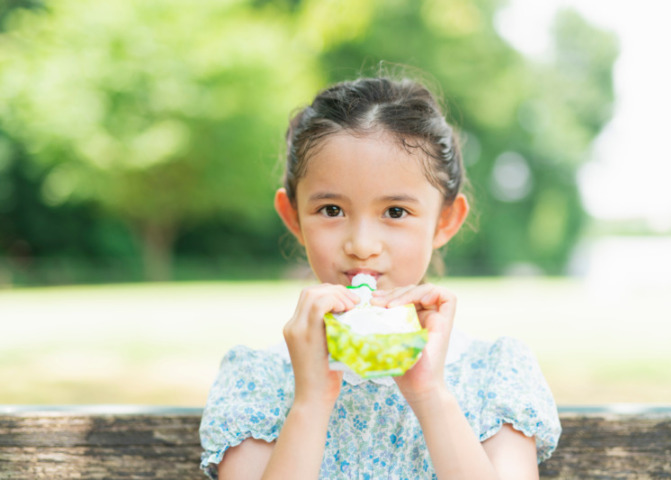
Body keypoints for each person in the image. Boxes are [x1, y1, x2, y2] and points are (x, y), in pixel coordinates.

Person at [199, 76, 561, 479]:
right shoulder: (257, 380)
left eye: (395, 212)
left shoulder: (496, 373)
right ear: (293, 217)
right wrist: (311, 402)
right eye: (332, 210)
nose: (362, 245)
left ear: (445, 221)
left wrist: (429, 392)